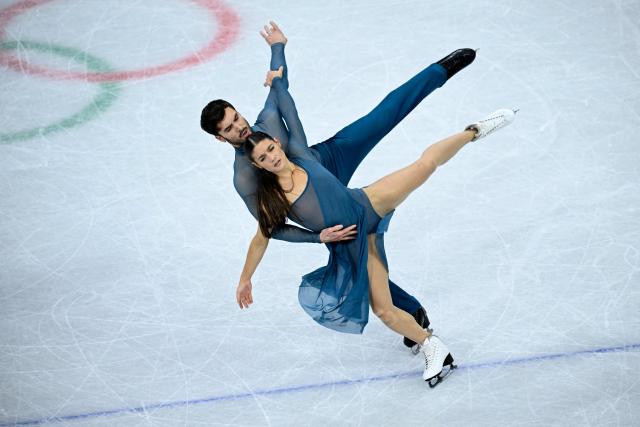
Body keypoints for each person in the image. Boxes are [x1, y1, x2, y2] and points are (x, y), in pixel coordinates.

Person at [201, 21, 477, 350]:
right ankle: (413, 313)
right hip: (315, 205)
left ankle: (438, 72)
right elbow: (269, 228)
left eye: (237, 118)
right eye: (230, 129)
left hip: (326, 160)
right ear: (220, 138)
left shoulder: (267, 121)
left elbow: (279, 85)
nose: (240, 127)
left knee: (379, 117)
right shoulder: (244, 178)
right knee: (357, 257)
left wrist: (278, 47)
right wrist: (315, 237)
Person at [236, 67, 516, 386]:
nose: (271, 157)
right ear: (258, 165)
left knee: (424, 166)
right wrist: (253, 275)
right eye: (263, 158)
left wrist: (277, 71)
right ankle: (432, 345)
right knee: (383, 310)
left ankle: (474, 131)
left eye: (271, 149)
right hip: (353, 242)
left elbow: (287, 104)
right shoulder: (274, 201)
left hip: (367, 203)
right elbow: (264, 237)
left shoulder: (300, 152)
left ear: (276, 142)